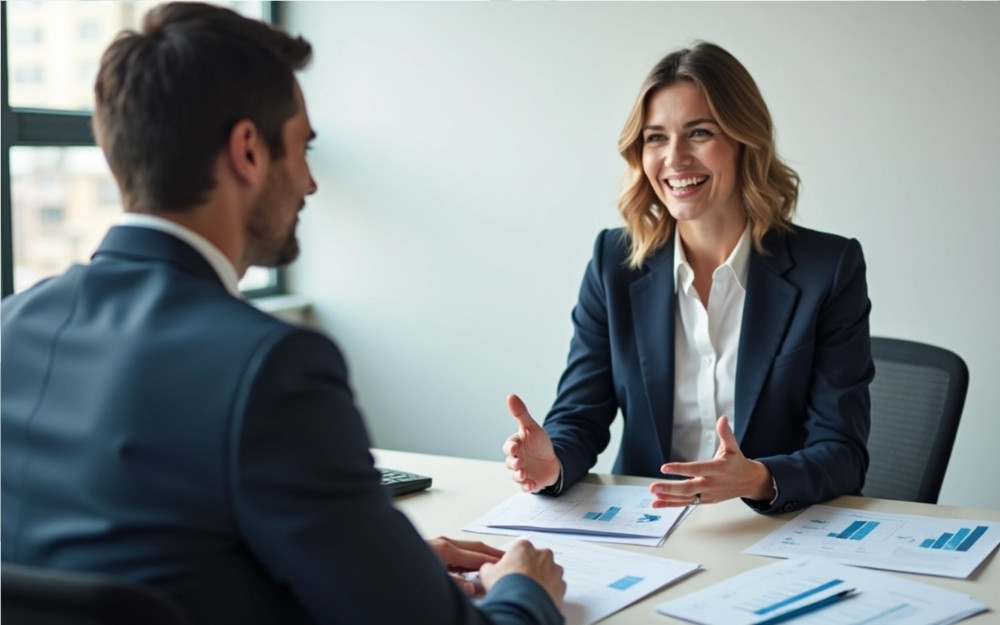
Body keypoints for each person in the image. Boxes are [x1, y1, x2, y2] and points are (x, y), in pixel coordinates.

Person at [0, 4, 565, 624]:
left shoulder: (12, 325)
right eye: (302, 149)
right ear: (248, 150)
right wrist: (525, 589)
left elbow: (150, 562)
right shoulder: (269, 368)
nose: (310, 183)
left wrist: (375, 569)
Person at [503, 42, 873, 515]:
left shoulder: (828, 268)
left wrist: (756, 478)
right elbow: (581, 416)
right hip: (648, 522)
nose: (675, 158)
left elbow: (843, 452)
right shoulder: (613, 263)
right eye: (656, 138)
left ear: (745, 141)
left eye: (699, 133)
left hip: (769, 527)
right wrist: (551, 463)